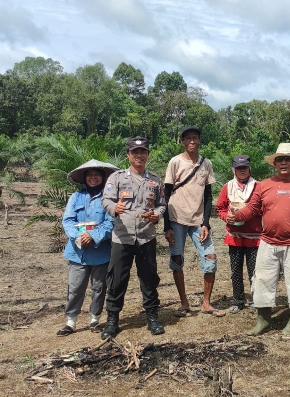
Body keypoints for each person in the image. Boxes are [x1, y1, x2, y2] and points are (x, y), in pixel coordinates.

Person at [227, 143, 290, 335]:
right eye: (279, 159)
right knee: (262, 281)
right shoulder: (264, 185)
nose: (283, 162)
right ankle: (263, 320)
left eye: (287, 158)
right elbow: (253, 208)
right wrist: (237, 216)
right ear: (274, 163)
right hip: (268, 242)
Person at [100, 137, 168, 339]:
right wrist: (114, 208)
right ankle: (112, 320)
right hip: (123, 237)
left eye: (143, 152)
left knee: (148, 278)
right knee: (117, 280)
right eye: (135, 152)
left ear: (147, 154)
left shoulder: (155, 181)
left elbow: (162, 204)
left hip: (146, 237)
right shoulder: (117, 178)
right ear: (128, 155)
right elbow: (106, 200)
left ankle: (152, 317)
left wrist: (158, 214)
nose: (139, 155)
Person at [163, 126, 224, 317]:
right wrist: (166, 226)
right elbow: (165, 195)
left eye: (195, 138)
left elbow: (208, 196)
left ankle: (206, 303)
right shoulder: (175, 162)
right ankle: (184, 303)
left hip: (198, 221)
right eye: (188, 138)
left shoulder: (206, 164)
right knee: (177, 259)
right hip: (176, 218)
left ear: (199, 140)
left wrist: (206, 223)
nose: (192, 141)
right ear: (182, 141)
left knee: (210, 258)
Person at [58, 159, 118, 336]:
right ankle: (71, 321)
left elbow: (111, 222)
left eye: (96, 175)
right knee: (75, 287)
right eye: (89, 175)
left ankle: (95, 319)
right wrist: (79, 236)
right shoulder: (76, 197)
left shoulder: (109, 199)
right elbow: (68, 221)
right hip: (77, 252)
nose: (93, 178)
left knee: (99, 287)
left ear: (103, 178)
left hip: (101, 251)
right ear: (84, 178)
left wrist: (93, 236)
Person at [215, 155, 262, 314]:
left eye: (244, 167)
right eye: (238, 168)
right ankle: (238, 300)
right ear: (233, 169)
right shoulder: (227, 187)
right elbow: (220, 208)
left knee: (254, 270)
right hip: (234, 235)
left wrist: (249, 211)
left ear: (249, 168)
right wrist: (225, 217)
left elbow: (265, 208)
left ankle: (257, 298)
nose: (242, 171)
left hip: (254, 236)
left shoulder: (258, 187)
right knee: (235, 269)